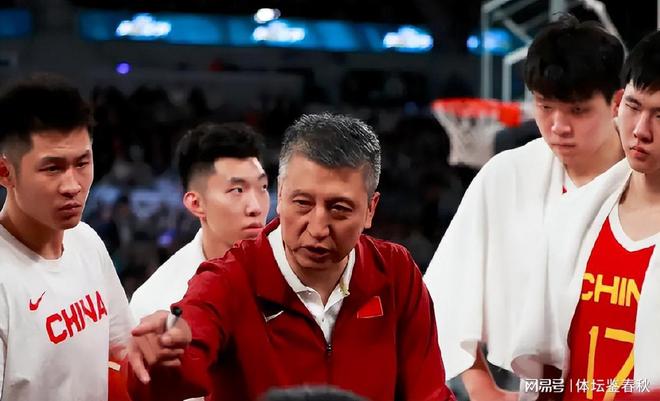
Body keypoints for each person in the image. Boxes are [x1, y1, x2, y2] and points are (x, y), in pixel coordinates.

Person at [124, 113, 456, 401]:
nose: (318, 228)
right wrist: (163, 356)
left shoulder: (396, 271)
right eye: (302, 203)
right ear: (280, 195)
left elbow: (429, 393)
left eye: (339, 209)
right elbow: (176, 363)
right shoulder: (229, 277)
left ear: (370, 209)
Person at [423, 14, 626, 401]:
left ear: (616, 102)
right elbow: (443, 295)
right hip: (541, 386)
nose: (558, 126)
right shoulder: (507, 174)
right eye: (545, 107)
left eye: (578, 111)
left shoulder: (644, 178)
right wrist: (481, 388)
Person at [512, 29, 660, 401]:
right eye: (634, 106)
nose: (641, 130)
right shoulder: (571, 217)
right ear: (618, 103)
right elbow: (545, 365)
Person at [0, 74, 133, 400]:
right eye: (52, 168)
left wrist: (162, 342)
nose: (72, 186)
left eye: (82, 163)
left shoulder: (87, 241)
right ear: (5, 172)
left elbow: (125, 351)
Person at [129, 122, 270, 319]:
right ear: (196, 203)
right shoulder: (156, 303)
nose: (255, 207)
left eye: (263, 187)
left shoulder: (299, 269)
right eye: (237, 190)